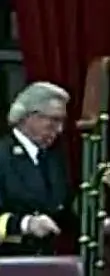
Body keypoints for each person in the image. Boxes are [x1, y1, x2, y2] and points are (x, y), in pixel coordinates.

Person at [0, 82, 74, 257]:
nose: (60, 129)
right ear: (29, 116)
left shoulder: (53, 157)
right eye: (54, 120)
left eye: (62, 121)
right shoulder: (3, 156)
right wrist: (26, 224)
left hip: (47, 263)